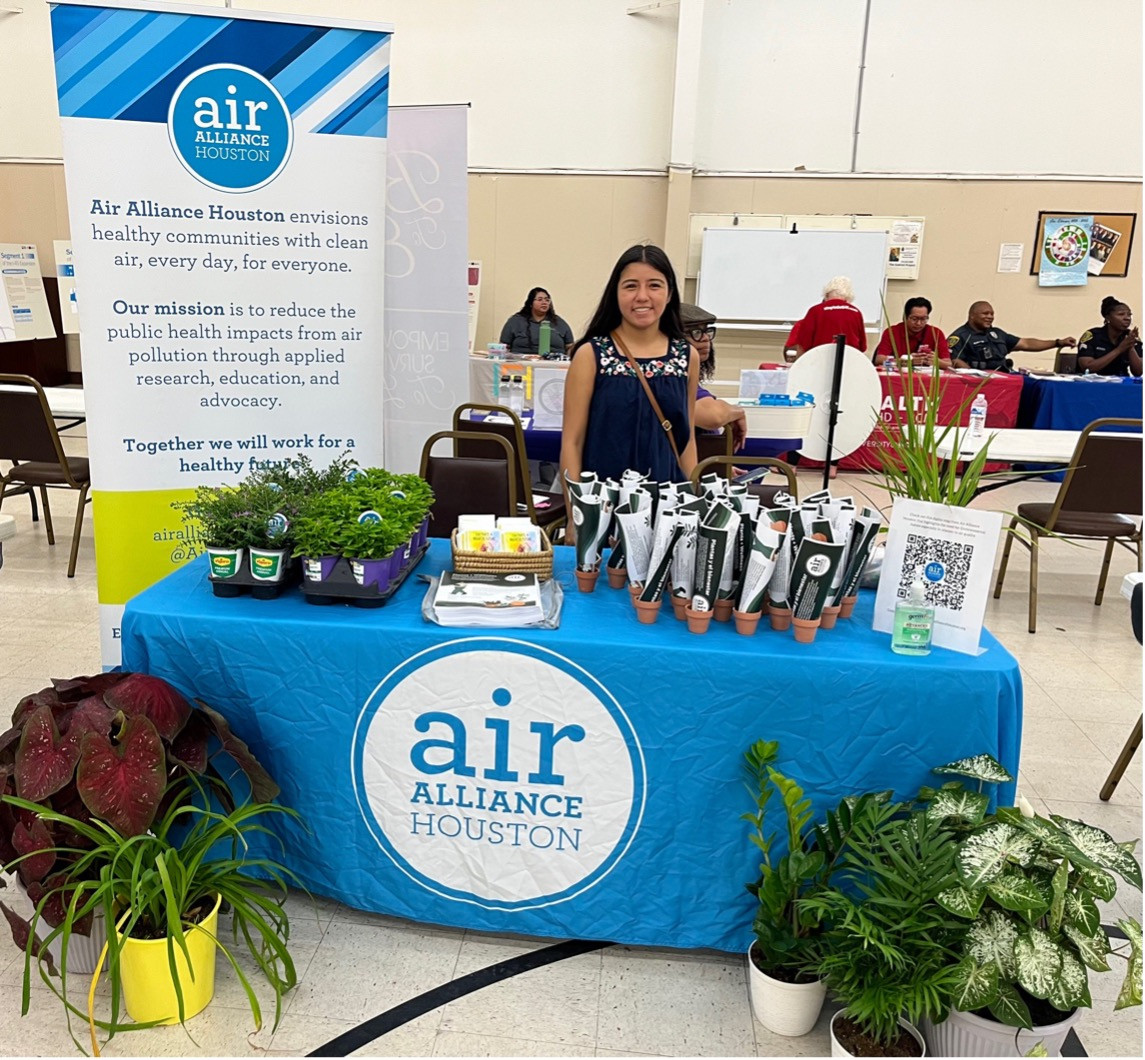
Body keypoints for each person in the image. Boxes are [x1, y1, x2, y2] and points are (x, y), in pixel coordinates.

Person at [560, 245, 698, 506]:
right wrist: (575, 514)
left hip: (667, 503)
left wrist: (692, 504)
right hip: (603, 503)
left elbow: (687, 440)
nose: (642, 296)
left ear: (669, 294)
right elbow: (572, 442)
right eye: (631, 286)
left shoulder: (686, 356)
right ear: (616, 293)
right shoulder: (591, 355)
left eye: (654, 285)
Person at [680, 302, 748, 451]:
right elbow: (713, 416)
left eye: (706, 332)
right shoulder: (673, 379)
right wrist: (738, 412)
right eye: (695, 332)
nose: (705, 339)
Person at [948, 301, 1076, 372]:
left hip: (1004, 378)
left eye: (992, 314)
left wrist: (1058, 342)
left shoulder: (997, 333)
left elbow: (1026, 344)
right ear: (972, 315)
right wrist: (974, 374)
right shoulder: (960, 336)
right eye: (985, 313)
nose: (990, 317)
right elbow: (953, 361)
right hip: (975, 383)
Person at [784, 276, 868, 359]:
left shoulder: (815, 311)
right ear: (848, 296)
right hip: (849, 364)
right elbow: (862, 347)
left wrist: (800, 367)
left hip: (819, 364)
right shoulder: (856, 312)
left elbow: (803, 345)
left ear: (826, 294)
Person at [873, 297, 952, 369]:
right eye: (914, 319)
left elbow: (948, 364)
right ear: (905, 317)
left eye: (923, 319)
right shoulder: (892, 332)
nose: (918, 323)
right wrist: (906, 361)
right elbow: (879, 360)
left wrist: (936, 362)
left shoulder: (936, 333)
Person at [498, 287, 575, 358]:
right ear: (531, 303)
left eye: (547, 300)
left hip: (553, 365)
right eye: (540, 299)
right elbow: (503, 347)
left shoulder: (559, 322)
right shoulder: (515, 321)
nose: (544, 302)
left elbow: (570, 347)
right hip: (521, 364)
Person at [1077, 297, 1142, 377]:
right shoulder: (1092, 335)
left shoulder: (1130, 336)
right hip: (1093, 383)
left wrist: (1130, 347)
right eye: (1121, 314)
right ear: (1108, 317)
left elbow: (1138, 372)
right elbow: (1087, 368)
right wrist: (1119, 349)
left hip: (1121, 382)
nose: (1127, 318)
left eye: (1129, 314)